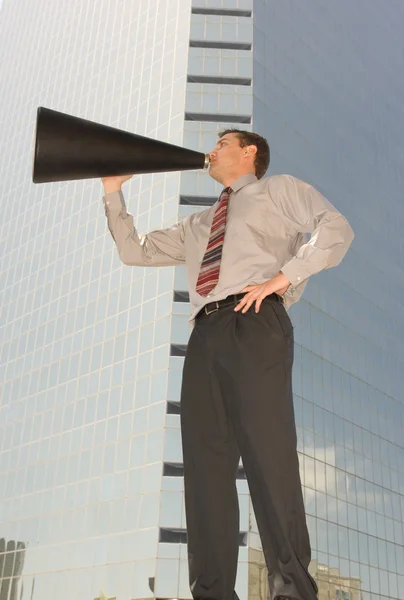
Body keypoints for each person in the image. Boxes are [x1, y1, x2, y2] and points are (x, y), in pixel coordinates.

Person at [101, 129, 354, 600]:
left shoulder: (278, 190)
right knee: (204, 469)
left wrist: (284, 277)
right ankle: (212, 593)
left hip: (255, 319)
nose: (212, 150)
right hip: (204, 336)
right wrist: (113, 189)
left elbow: (336, 228)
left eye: (222, 143)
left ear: (249, 152)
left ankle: (293, 591)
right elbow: (133, 250)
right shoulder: (197, 224)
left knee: (268, 454)